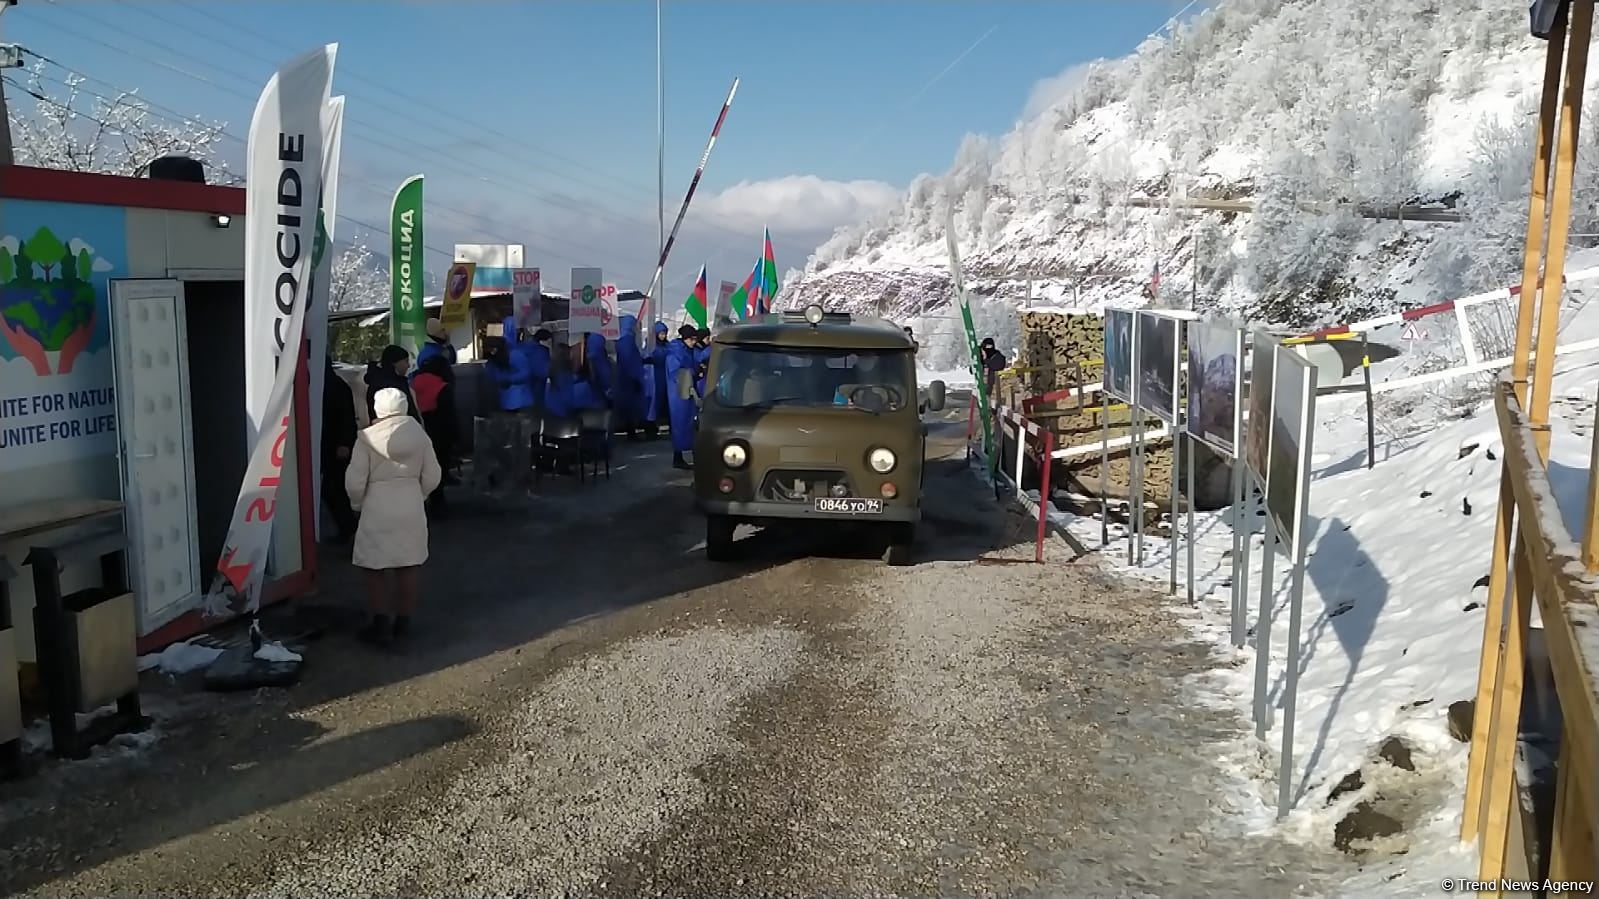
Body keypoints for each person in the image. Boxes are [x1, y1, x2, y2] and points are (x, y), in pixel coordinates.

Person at [346, 387, 442, 647]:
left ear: (377, 409)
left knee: (373, 567)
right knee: (408, 564)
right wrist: (418, 494)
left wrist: (357, 503)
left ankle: (381, 625)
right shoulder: (420, 436)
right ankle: (403, 622)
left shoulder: (366, 439)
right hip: (410, 504)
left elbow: (355, 481)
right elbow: (433, 475)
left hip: (377, 506)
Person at [411, 353, 458, 516]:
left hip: (419, 429)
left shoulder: (414, 383)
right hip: (440, 432)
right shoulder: (443, 387)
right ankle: (438, 503)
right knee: (439, 467)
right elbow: (449, 414)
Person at [320, 355, 359, 544]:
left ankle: (350, 531)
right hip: (332, 445)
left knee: (333, 489)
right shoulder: (334, 384)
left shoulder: (334, 386)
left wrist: (344, 443)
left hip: (334, 445)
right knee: (333, 489)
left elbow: (346, 417)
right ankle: (347, 530)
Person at [665, 324, 701, 470]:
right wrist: (693, 372)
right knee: (680, 424)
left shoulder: (686, 350)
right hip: (679, 393)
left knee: (689, 425)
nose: (694, 342)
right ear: (685, 339)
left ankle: (687, 455)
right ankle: (678, 457)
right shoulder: (675, 354)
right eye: (692, 339)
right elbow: (677, 374)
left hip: (686, 391)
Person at [490, 315, 538, 414]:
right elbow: (526, 372)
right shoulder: (516, 353)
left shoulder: (500, 350)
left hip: (505, 399)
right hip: (521, 400)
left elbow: (491, 371)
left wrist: (501, 378)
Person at [364, 345, 418, 423]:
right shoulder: (394, 386)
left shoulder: (375, 382)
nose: (408, 366)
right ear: (395, 362)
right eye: (406, 361)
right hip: (401, 429)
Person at [615, 315, 647, 440]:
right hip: (629, 379)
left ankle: (631, 430)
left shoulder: (622, 339)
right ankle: (631, 432)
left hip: (625, 378)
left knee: (628, 406)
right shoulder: (627, 340)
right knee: (631, 406)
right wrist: (634, 378)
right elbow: (629, 360)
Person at [647, 321, 671, 440]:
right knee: (654, 403)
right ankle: (651, 427)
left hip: (665, 376)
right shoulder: (651, 346)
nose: (663, 336)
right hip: (654, 377)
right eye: (661, 333)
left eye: (664, 333)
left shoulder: (667, 345)